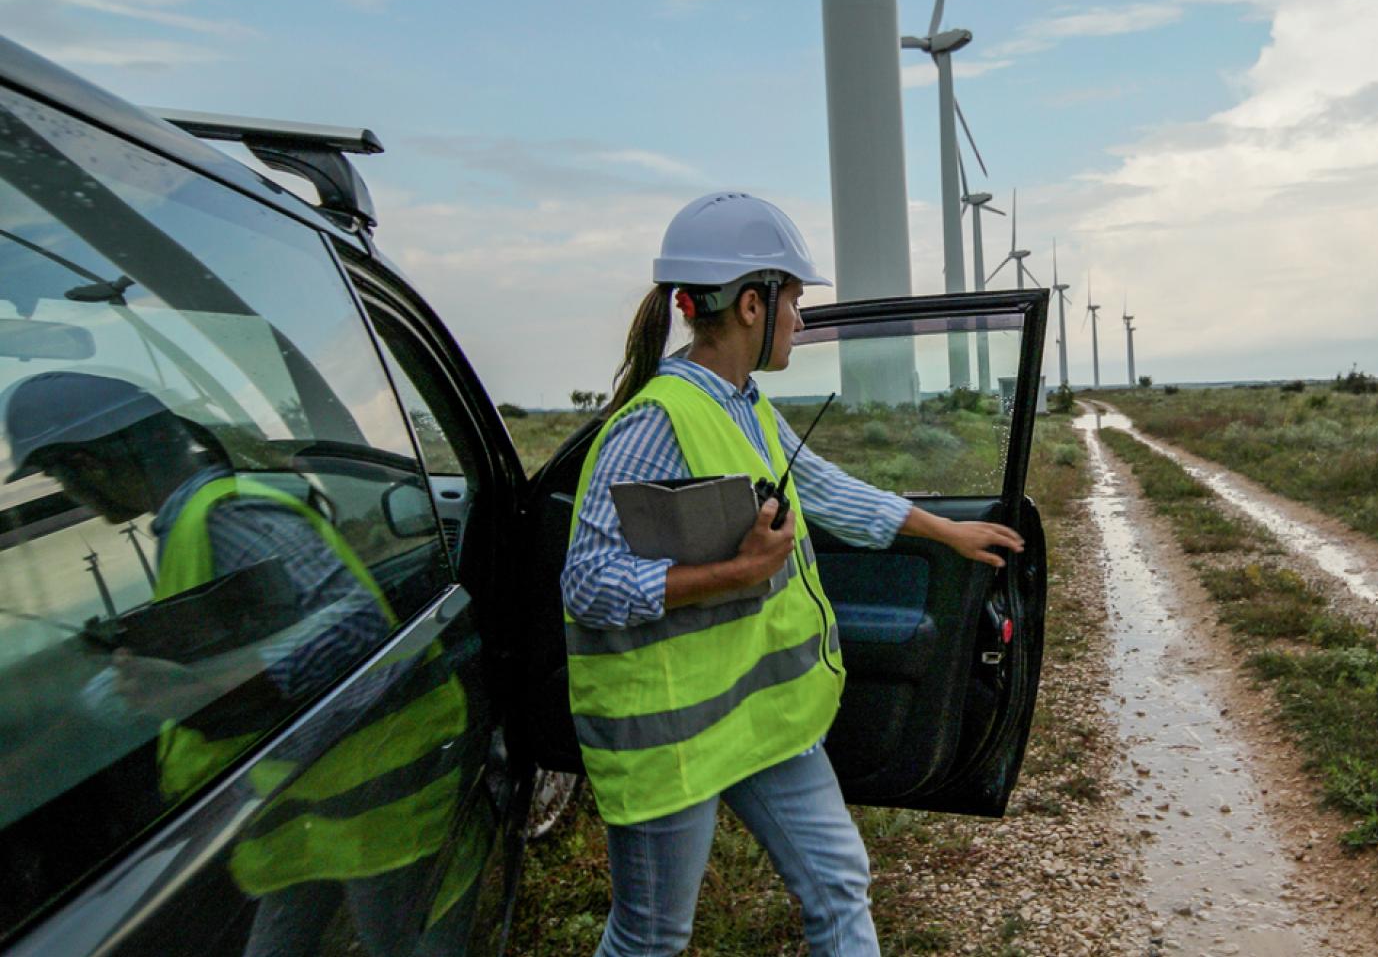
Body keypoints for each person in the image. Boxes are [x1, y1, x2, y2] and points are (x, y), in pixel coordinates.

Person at [562, 192, 1024, 957]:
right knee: (650, 937)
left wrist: (942, 530)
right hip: (673, 734)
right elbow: (588, 583)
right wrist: (736, 573)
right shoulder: (655, 421)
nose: (801, 320)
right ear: (751, 303)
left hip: (756, 718)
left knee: (840, 883)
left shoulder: (745, 405)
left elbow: (821, 484)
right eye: (795, 301)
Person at [2, 372, 473, 956]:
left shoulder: (229, 516)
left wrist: (205, 687)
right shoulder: (191, 523)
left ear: (86, 463)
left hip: (377, 804)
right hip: (303, 811)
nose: (70, 493)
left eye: (57, 476)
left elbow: (355, 628)